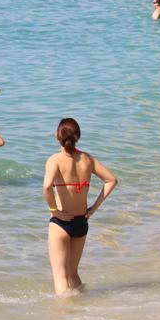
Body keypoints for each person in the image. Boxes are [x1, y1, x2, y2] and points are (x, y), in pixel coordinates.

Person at [43, 118, 117, 296]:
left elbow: (46, 187)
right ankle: (82, 309)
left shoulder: (55, 160)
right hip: (81, 222)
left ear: (57, 136)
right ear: (78, 137)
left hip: (61, 223)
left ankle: (66, 317)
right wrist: (93, 209)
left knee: (60, 276)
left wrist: (55, 211)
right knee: (73, 274)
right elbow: (111, 180)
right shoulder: (88, 159)